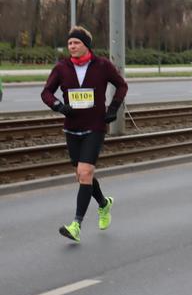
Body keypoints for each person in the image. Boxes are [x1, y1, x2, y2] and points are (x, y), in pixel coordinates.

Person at [41, 26, 128, 242]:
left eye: (76, 43)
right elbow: (46, 93)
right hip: (72, 127)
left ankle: (76, 225)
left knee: (86, 172)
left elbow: (121, 85)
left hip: (95, 127)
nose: (72, 46)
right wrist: (59, 107)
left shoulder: (102, 66)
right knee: (81, 176)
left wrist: (113, 109)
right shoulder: (62, 68)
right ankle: (103, 204)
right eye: (70, 43)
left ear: (86, 45)